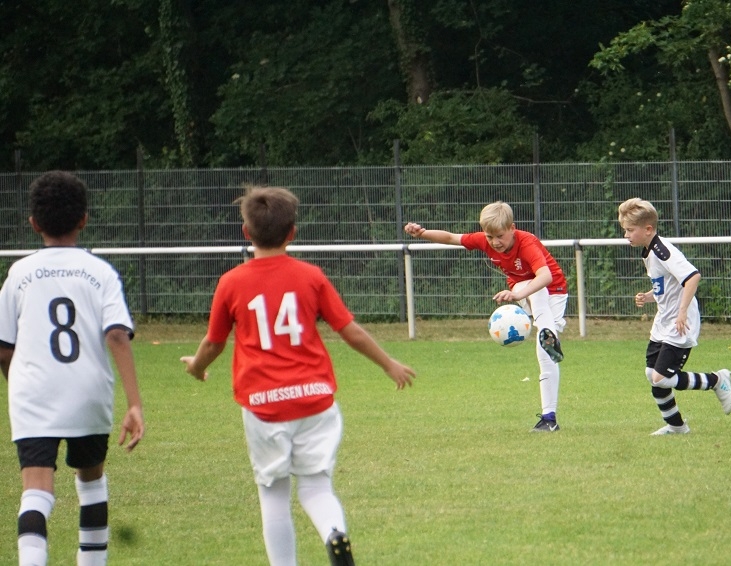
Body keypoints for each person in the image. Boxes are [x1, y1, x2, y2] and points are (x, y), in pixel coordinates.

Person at [181, 186, 415, 566]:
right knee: (317, 487)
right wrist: (389, 364)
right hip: (315, 400)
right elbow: (349, 330)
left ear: (246, 232)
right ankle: (334, 532)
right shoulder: (310, 276)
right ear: (292, 232)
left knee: (273, 495)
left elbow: (214, 343)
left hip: (263, 405)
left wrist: (196, 366)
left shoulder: (231, 282)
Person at [0, 171, 145, 566]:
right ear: (84, 219)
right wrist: (134, 403)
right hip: (88, 393)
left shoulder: (19, 274)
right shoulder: (100, 272)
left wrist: (19, 386)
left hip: (33, 394)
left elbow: (4, 348)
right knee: (92, 483)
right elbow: (117, 335)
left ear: (33, 223)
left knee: (36, 492)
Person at [404, 201, 567, 432]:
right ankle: (548, 334)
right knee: (542, 324)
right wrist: (422, 233)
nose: (494, 242)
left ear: (512, 228)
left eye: (500, 236)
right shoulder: (484, 240)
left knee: (544, 352)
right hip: (524, 288)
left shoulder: (527, 243)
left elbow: (545, 277)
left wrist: (517, 295)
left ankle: (549, 418)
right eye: (490, 237)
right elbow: (451, 238)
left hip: (554, 291)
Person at [617, 198, 731, 435]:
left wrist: (682, 313)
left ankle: (716, 380)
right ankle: (677, 427)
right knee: (652, 375)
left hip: (680, 322)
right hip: (664, 320)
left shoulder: (663, 251)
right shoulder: (648, 251)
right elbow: (666, 287)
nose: (626, 235)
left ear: (647, 229)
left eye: (630, 230)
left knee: (660, 377)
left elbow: (692, 277)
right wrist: (648, 296)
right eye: (625, 230)